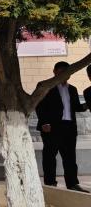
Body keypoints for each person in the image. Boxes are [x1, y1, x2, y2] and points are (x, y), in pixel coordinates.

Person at [35, 61, 86, 191]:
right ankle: (50, 183)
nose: (64, 74)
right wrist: (44, 122)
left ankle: (72, 184)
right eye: (61, 71)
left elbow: (77, 107)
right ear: (54, 72)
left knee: (70, 157)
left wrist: (87, 104)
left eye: (67, 72)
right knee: (50, 156)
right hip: (51, 127)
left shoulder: (73, 89)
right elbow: (39, 105)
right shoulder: (45, 86)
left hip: (69, 127)